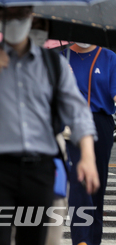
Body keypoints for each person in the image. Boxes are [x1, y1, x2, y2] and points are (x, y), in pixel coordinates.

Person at [0, 5, 100, 245]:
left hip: (39, 170)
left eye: (20, 14)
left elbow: (78, 111)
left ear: (31, 14)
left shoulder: (53, 64)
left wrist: (88, 155)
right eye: (7, 15)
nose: (15, 21)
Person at [65, 40, 116, 245]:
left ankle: (94, 240)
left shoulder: (109, 57)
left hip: (100, 124)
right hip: (70, 126)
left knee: (96, 186)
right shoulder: (62, 58)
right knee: (77, 185)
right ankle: (81, 240)